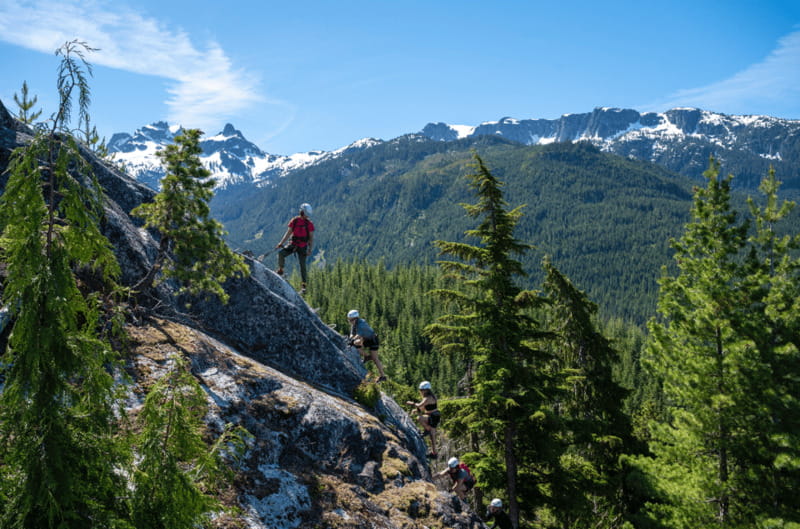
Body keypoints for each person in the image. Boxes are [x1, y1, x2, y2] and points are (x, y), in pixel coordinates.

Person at [276, 203, 315, 294]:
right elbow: (288, 233)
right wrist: (281, 243)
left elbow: (311, 238)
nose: (306, 216)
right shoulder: (294, 221)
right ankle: (281, 270)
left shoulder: (309, 224)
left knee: (303, 266)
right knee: (281, 254)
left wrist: (310, 249)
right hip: (293, 244)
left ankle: (304, 284)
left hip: (302, 247)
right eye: (306, 214)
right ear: (302, 212)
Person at [347, 309, 387, 382]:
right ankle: (367, 356)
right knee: (355, 344)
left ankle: (383, 376)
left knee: (375, 359)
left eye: (350, 320)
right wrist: (350, 339)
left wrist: (351, 341)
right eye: (349, 320)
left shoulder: (361, 324)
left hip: (373, 340)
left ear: (355, 319)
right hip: (366, 339)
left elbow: (358, 335)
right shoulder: (355, 323)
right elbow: (352, 333)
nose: (350, 322)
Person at [406, 381, 440, 459]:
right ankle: (434, 453)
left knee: (419, 418)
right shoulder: (430, 397)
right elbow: (424, 407)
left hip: (433, 416)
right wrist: (416, 410)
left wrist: (412, 403)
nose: (421, 391)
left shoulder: (428, 398)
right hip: (433, 416)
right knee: (432, 437)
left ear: (426, 390)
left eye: (422, 390)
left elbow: (420, 405)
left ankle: (427, 429)